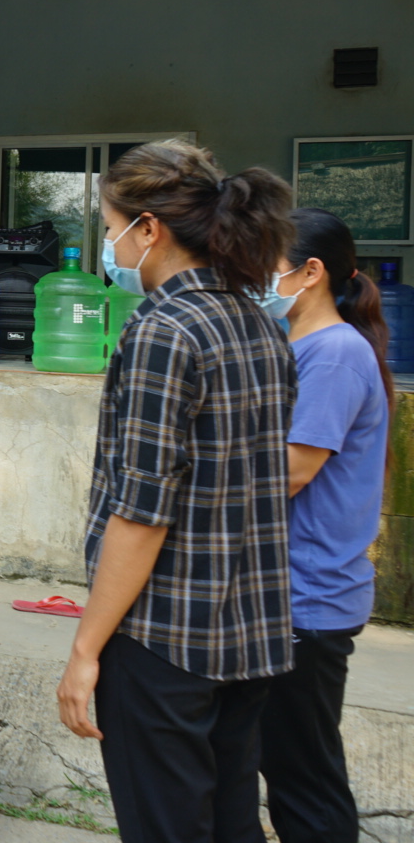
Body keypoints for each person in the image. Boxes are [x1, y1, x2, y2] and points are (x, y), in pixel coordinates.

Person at [56, 140, 296, 843]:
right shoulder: (259, 324)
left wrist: (85, 649)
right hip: (249, 636)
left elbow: (141, 515)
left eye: (110, 228)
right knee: (228, 825)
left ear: (149, 229)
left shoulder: (164, 330)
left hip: (164, 641)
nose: (110, 245)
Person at [256, 208, 390, 843]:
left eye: (264, 263)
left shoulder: (334, 354)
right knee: (289, 767)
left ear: (310, 272)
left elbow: (287, 473)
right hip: (288, 597)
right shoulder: (303, 346)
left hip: (307, 599)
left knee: (304, 779)